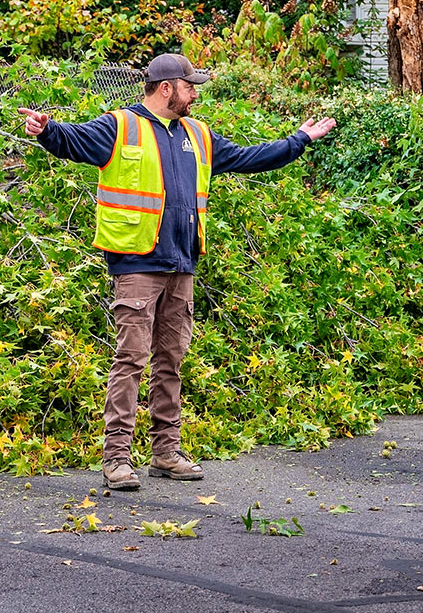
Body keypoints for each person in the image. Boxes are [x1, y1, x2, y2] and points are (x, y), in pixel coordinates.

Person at [20, 52, 336, 492]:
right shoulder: (119, 127)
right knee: (131, 359)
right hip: (136, 265)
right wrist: (47, 130)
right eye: (190, 87)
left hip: (181, 263)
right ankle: (116, 458)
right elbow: (71, 140)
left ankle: (166, 453)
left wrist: (298, 138)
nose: (195, 95)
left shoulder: (197, 135)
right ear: (166, 87)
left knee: (171, 359)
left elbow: (250, 157)